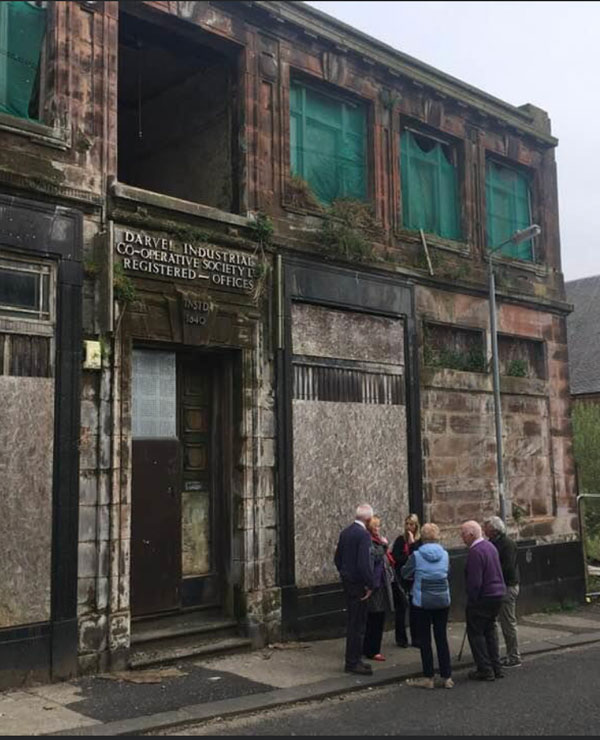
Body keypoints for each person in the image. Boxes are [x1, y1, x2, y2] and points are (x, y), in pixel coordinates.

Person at [402, 523, 453, 689]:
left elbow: (405, 573)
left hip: (422, 601)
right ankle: (447, 677)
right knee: (441, 638)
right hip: (442, 600)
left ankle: (429, 677)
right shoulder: (445, 555)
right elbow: (447, 571)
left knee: (425, 639)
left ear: (422, 538)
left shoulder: (416, 555)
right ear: (437, 537)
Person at [461, 520, 506, 681]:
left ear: (472, 535)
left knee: (476, 633)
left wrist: (472, 600)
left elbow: (475, 581)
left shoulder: (475, 552)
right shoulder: (490, 547)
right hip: (497, 594)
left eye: (463, 534)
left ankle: (485, 669)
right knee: (490, 630)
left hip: (483, 596)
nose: (462, 538)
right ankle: (496, 666)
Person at [334, 503, 376, 675]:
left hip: (348, 582)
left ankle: (355, 659)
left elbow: (338, 558)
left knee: (353, 622)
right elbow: (364, 563)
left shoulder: (345, 532)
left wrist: (345, 575)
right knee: (357, 624)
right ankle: (353, 662)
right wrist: (370, 584)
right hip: (358, 584)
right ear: (368, 519)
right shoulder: (364, 535)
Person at [483, 515, 522, 668]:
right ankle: (499, 654)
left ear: (493, 530)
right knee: (499, 622)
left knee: (508, 623)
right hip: (500, 586)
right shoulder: (494, 543)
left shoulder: (507, 544)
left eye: (486, 528)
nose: (484, 530)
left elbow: (507, 568)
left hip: (507, 587)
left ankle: (514, 656)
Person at [363, 516, 395, 662]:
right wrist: (384, 546)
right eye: (376, 526)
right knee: (376, 617)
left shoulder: (375, 541)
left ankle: (371, 648)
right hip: (376, 585)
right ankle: (372, 650)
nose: (378, 529)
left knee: (376, 617)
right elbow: (375, 558)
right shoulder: (371, 542)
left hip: (380, 583)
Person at [391, 513, 422, 648]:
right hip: (401, 579)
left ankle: (416, 638)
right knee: (401, 609)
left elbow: (417, 558)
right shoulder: (400, 540)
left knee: (416, 609)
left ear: (416, 526)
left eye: (412, 524)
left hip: (415, 579)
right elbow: (397, 558)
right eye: (407, 524)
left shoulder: (419, 542)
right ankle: (401, 639)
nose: (409, 527)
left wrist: (412, 544)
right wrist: (406, 557)